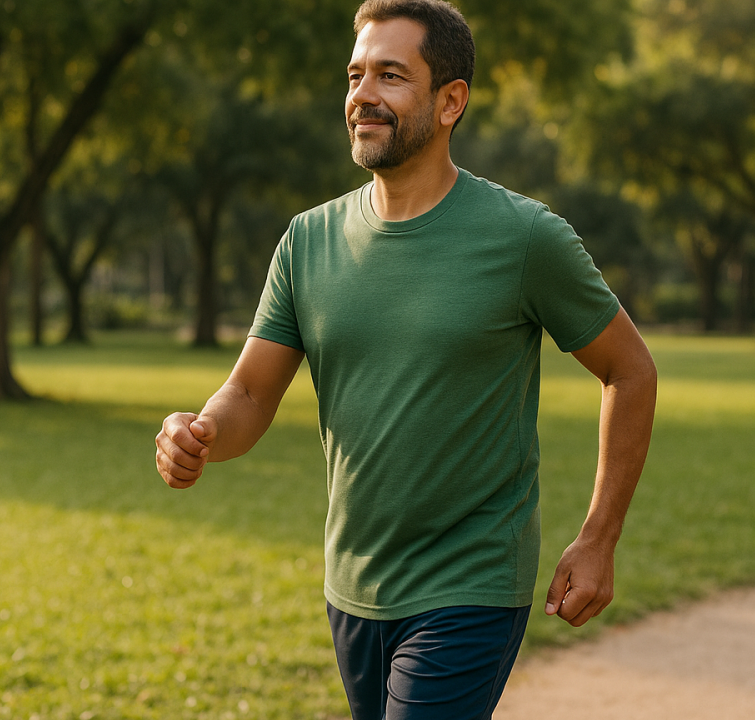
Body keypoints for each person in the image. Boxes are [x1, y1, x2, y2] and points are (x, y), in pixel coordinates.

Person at [153, 1, 657, 717]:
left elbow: (630, 370)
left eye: (392, 75)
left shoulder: (523, 238)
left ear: (451, 101)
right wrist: (198, 433)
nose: (364, 94)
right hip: (354, 583)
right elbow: (252, 394)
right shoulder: (308, 241)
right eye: (356, 75)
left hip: (472, 580)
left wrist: (599, 537)